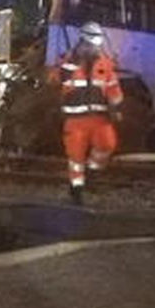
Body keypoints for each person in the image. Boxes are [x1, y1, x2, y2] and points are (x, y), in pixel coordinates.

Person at [56, 21, 124, 206]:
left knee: (107, 144)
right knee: (75, 157)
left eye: (97, 45)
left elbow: (112, 87)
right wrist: (73, 62)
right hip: (75, 119)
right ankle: (76, 190)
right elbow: (59, 78)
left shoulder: (105, 64)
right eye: (92, 45)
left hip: (99, 117)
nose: (95, 49)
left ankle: (93, 170)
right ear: (83, 43)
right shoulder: (69, 62)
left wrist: (117, 108)